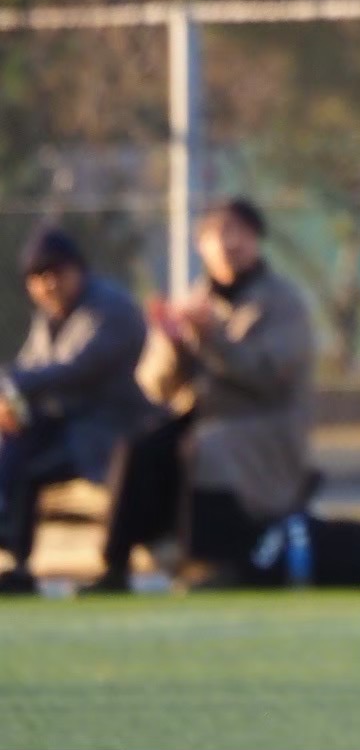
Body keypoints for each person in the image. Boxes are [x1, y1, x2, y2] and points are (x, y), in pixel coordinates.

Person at [94, 199, 316, 591]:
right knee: (138, 449)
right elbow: (155, 386)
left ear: (257, 240)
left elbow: (270, 377)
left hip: (265, 426)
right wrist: (172, 343)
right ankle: (114, 567)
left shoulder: (284, 302)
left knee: (206, 448)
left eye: (239, 231)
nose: (229, 243)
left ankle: (213, 564)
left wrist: (213, 338)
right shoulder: (195, 301)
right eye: (217, 233)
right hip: (202, 419)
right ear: (201, 245)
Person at [0, 228, 154, 594]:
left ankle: (112, 570)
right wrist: (8, 398)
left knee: (28, 463)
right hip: (69, 430)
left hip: (116, 431)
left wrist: (8, 383)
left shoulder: (110, 307)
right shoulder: (49, 318)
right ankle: (18, 563)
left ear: (79, 269)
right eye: (39, 277)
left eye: (57, 272)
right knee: (15, 444)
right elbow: (32, 371)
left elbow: (77, 369)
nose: (49, 284)